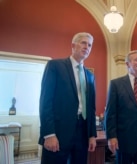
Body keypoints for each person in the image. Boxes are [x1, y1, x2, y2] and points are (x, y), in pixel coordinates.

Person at [38, 32, 97, 164]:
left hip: (82, 133)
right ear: (73, 45)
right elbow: (45, 101)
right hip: (58, 131)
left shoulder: (90, 75)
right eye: (83, 43)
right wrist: (49, 134)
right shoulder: (55, 66)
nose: (87, 47)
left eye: (90, 45)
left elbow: (91, 107)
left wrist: (92, 134)